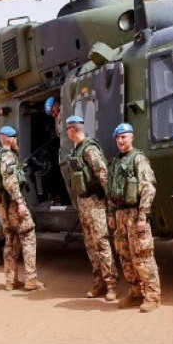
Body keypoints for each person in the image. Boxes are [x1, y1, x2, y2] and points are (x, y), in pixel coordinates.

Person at [107, 122, 162, 312]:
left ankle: (153, 296)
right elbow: (111, 191)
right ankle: (135, 294)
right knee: (125, 256)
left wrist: (143, 216)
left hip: (136, 213)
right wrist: (111, 213)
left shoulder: (138, 159)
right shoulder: (115, 163)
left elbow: (148, 188)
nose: (120, 141)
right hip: (120, 214)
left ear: (131, 137)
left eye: (124, 136)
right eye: (118, 137)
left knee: (142, 256)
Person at [62, 116, 118, 301]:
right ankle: (99, 282)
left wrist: (110, 205)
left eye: (67, 129)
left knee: (101, 243)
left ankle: (111, 284)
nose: (67, 133)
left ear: (72, 130)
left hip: (96, 203)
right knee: (90, 245)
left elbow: (104, 175)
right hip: (84, 204)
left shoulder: (89, 149)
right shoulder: (77, 149)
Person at [0, 125, 44, 292]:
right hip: (12, 202)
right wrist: (20, 202)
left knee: (10, 238)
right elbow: (10, 181)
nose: (15, 140)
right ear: (7, 138)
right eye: (13, 137)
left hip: (2, 202)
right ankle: (31, 279)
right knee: (28, 234)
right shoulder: (7, 155)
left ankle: (11, 280)